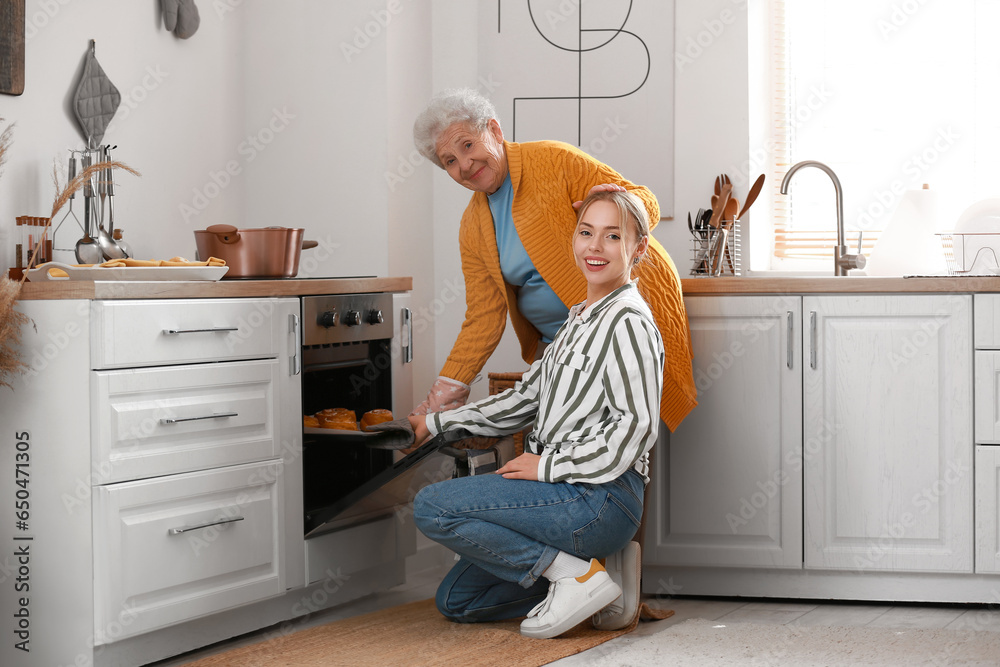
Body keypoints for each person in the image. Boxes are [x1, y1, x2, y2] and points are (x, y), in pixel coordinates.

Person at [409, 190, 664, 639]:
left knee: (433, 506)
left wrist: (548, 466)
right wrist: (435, 423)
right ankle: (598, 581)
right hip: (559, 491)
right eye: (586, 233)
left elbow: (633, 429)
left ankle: (576, 577)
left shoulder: (629, 323)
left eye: (611, 236)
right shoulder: (578, 319)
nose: (594, 247)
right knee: (458, 600)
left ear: (637, 248)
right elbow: (524, 398)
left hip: (599, 499)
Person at [410, 87, 696, 433]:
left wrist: (614, 205)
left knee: (625, 432)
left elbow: (646, 201)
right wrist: (446, 390)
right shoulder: (472, 226)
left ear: (495, 132)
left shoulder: (554, 160)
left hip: (615, 329)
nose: (465, 165)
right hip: (563, 346)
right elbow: (483, 316)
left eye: (468, 145)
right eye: (449, 161)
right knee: (561, 438)